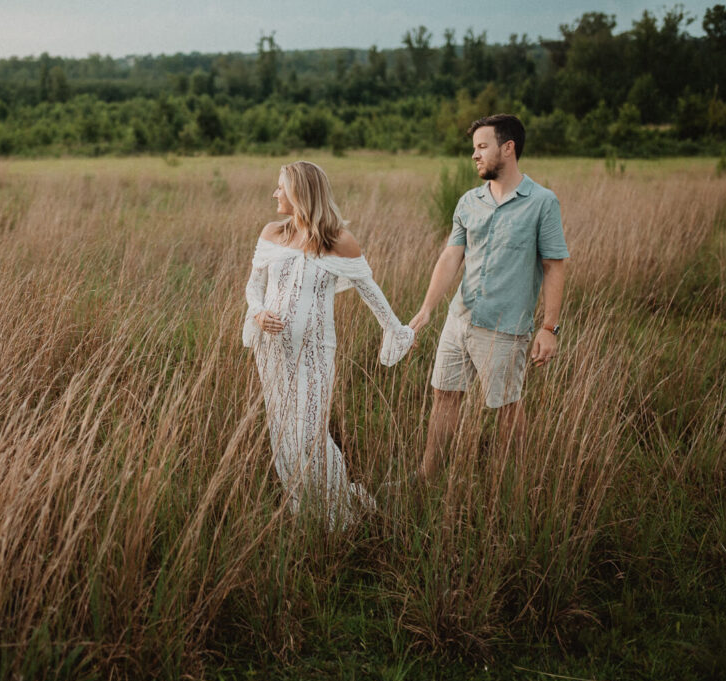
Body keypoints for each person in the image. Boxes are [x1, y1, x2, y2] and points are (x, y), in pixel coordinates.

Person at [243, 161, 414, 526]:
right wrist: (257, 313)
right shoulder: (272, 233)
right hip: (272, 352)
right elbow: (253, 287)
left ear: (300, 193)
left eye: (280, 188)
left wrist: (396, 330)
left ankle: (338, 515)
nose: (275, 194)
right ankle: (305, 512)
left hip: (316, 355)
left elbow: (372, 293)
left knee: (309, 434)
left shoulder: (338, 241)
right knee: (283, 433)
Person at [408, 114, 569, 479]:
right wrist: (427, 310)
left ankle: (514, 487)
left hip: (504, 328)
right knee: (444, 396)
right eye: (474, 148)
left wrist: (549, 328)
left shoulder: (542, 202)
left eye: (482, 147)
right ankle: (428, 475)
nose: (474, 155)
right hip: (459, 319)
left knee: (506, 409)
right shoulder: (469, 201)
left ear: (508, 148)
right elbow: (451, 256)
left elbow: (554, 267)